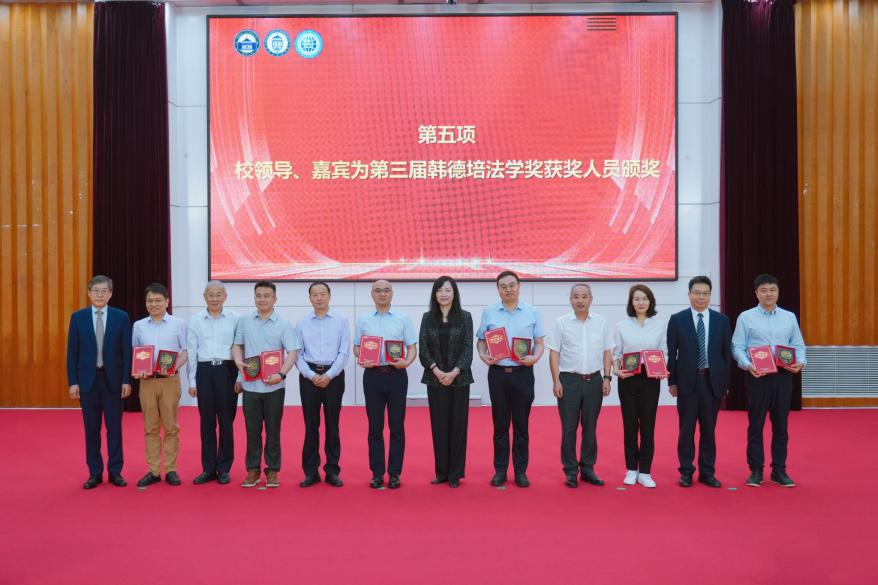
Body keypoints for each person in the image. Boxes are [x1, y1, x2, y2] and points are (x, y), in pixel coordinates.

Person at [732, 274, 806, 488]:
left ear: (778, 292)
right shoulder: (746, 317)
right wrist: (748, 365)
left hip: (783, 376)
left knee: (781, 425)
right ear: (756, 293)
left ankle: (779, 470)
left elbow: (798, 345)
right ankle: (756, 470)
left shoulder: (789, 317)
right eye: (763, 290)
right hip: (758, 376)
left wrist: (801, 362)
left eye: (772, 290)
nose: (768, 294)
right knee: (756, 424)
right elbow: (737, 347)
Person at [476, 271, 545, 488]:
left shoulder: (532, 312)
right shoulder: (489, 312)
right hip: (498, 374)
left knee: (521, 426)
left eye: (512, 285)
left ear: (519, 286)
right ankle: (500, 471)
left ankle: (521, 472)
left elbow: (539, 343)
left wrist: (534, 357)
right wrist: (483, 355)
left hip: (523, 374)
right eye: (503, 286)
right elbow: (481, 341)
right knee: (500, 425)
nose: (508, 289)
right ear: (498, 289)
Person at [232, 280, 300, 489]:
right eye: (258, 296)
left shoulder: (283, 324)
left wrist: (281, 374)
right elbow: (237, 346)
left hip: (274, 387)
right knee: (252, 430)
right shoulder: (244, 321)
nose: (262, 299)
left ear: (275, 299)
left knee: (273, 430)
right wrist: (238, 364)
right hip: (250, 386)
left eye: (267, 296)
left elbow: (293, 352)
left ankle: (272, 470)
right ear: (254, 298)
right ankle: (253, 470)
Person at [66, 275, 132, 489]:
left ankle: (115, 472)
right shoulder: (78, 318)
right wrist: (73, 382)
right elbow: (72, 353)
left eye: (104, 291)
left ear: (110, 294)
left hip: (113, 381)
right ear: (89, 293)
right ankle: (94, 473)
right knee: (91, 429)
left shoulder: (121, 317)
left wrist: (126, 380)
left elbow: (126, 352)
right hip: (88, 382)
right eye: (96, 291)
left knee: (115, 429)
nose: (100, 294)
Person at [667, 275, 732, 488]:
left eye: (705, 293)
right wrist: (672, 382)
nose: (701, 297)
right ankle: (686, 472)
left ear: (710, 295)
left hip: (712, 382)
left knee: (708, 430)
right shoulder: (677, 319)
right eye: (697, 293)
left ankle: (707, 472)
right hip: (687, 382)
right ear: (689, 294)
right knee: (686, 430)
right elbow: (672, 353)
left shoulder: (722, 321)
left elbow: (726, 355)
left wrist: (725, 383)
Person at [547, 284, 613, 488]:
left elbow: (607, 352)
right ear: (570, 300)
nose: (580, 300)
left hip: (594, 380)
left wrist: (607, 378)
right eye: (576, 297)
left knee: (590, 427)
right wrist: (556, 381)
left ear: (591, 299)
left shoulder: (601, 322)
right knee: (569, 428)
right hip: (569, 381)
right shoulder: (561, 323)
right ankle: (570, 470)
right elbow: (554, 353)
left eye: (584, 296)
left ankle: (587, 469)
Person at [354, 280, 417, 489]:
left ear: (392, 293)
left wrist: (407, 362)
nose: (382, 294)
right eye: (378, 291)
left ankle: (395, 473)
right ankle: (377, 473)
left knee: (397, 426)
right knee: (375, 427)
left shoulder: (403, 319)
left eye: (386, 290)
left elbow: (412, 347)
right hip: (372, 376)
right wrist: (362, 357)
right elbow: (356, 347)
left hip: (397, 375)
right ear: (372, 294)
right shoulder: (363, 320)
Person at [131, 283, 189, 488]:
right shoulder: (139, 326)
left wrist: (174, 366)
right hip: (147, 382)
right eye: (150, 301)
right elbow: (136, 352)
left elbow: (186, 351)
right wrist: (138, 369)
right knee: (150, 428)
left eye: (158, 300)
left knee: (171, 427)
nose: (153, 304)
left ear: (167, 302)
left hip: (169, 381)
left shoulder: (178, 324)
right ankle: (153, 470)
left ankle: (171, 469)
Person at [418, 276, 474, 488]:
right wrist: (437, 370)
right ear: (434, 294)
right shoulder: (427, 318)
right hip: (435, 379)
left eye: (448, 290)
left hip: (460, 379)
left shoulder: (465, 317)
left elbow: (468, 348)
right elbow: (423, 348)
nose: (443, 294)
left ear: (454, 293)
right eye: (439, 290)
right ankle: (441, 472)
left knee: (458, 426)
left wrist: (454, 372)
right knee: (439, 426)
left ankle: (455, 474)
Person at [295, 281, 350, 488]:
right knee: (311, 426)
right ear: (309, 298)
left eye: (323, 294)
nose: (319, 298)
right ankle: (311, 472)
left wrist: (329, 375)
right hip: (308, 377)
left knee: (332, 425)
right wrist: (310, 375)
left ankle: (332, 471)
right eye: (315, 294)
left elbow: (344, 352)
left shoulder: (341, 320)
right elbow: (297, 353)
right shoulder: (302, 323)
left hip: (334, 377)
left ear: (329, 296)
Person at [613, 284, 668, 488]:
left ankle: (645, 471)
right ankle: (631, 469)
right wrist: (616, 370)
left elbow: (664, 351)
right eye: (636, 299)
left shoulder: (659, 325)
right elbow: (617, 353)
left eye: (644, 298)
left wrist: (663, 367)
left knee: (647, 425)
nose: (641, 302)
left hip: (651, 378)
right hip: (628, 377)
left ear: (650, 301)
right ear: (631, 302)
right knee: (629, 425)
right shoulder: (621, 325)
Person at [187, 280, 240, 486]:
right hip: (204, 371)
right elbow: (192, 352)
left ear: (225, 297)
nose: (215, 298)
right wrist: (192, 381)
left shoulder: (235, 319)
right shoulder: (196, 320)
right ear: (204, 297)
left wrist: (240, 377)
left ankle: (224, 468)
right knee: (206, 422)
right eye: (211, 295)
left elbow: (241, 349)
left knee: (226, 421)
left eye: (219, 295)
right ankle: (208, 468)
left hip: (227, 370)